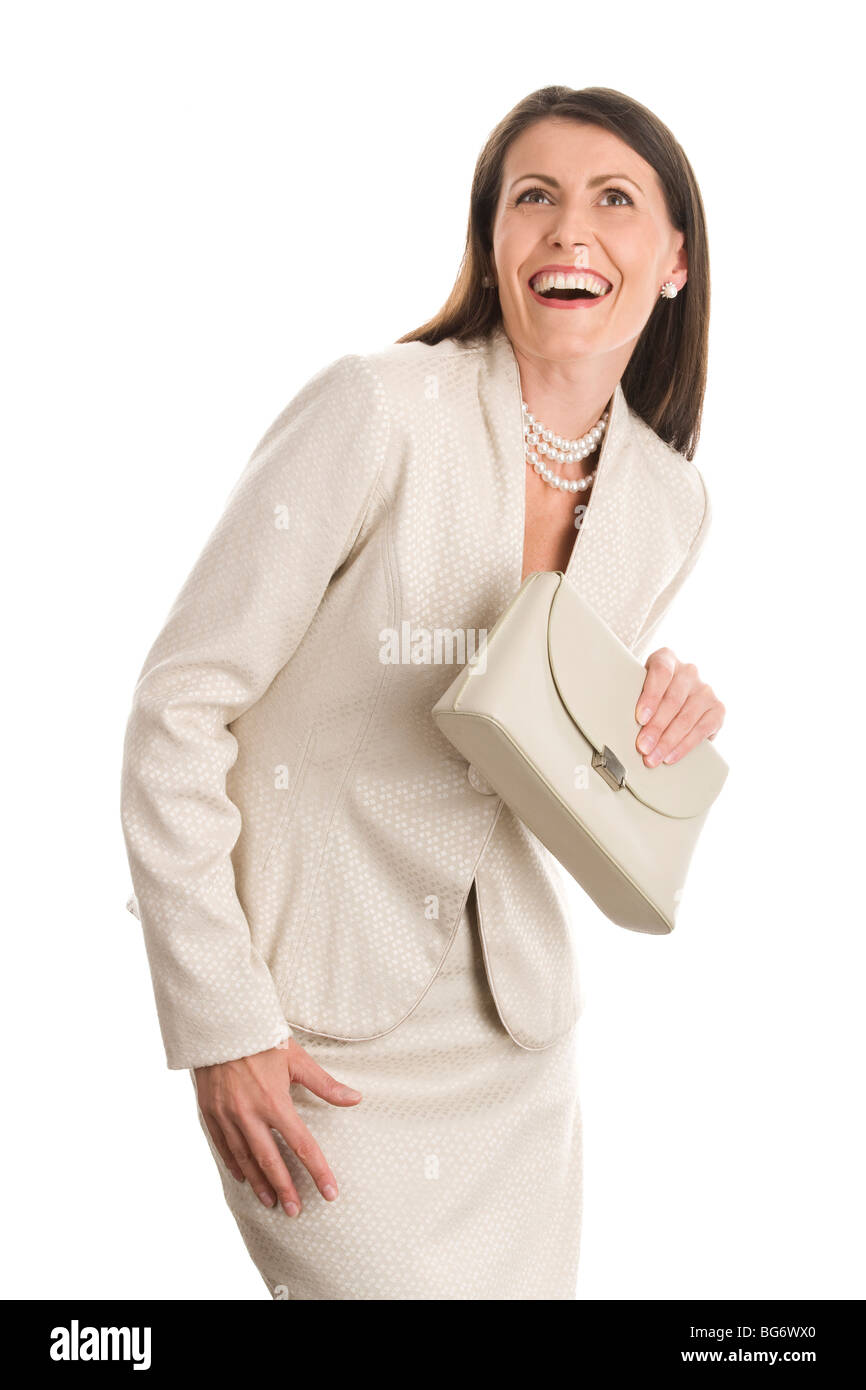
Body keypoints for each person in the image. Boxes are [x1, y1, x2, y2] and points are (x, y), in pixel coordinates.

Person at [120, 84, 726, 1301]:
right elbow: (179, 709)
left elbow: (530, 758)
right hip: (308, 1027)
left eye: (614, 199)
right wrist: (220, 1015)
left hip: (510, 1045)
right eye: (532, 198)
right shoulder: (377, 408)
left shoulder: (669, 503)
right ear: (491, 241)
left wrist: (651, 713)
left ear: (670, 261)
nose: (567, 229)